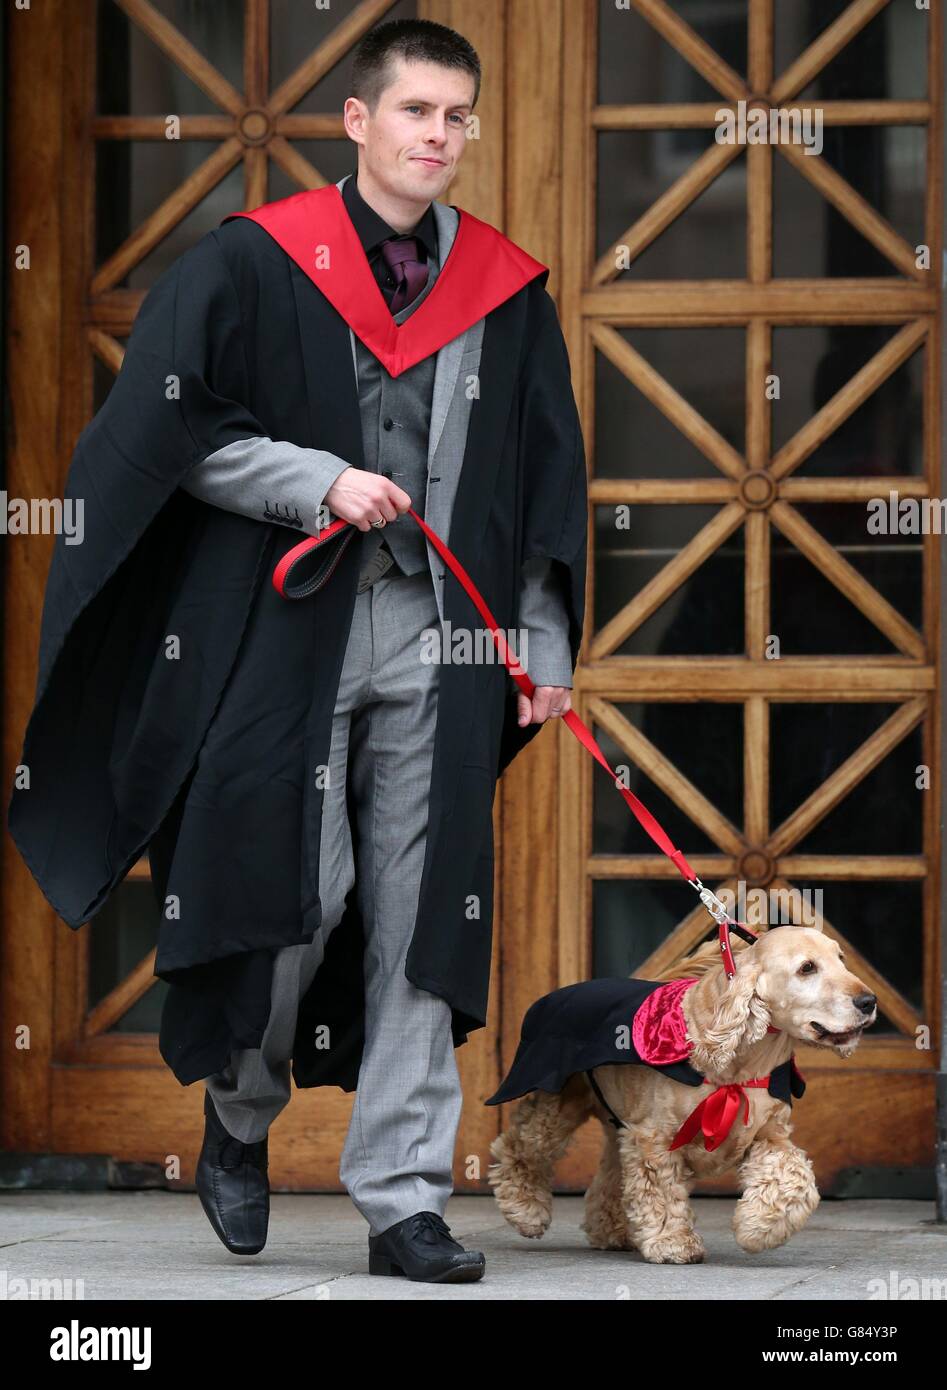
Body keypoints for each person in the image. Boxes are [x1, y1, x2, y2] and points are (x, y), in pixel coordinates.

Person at [7, 18, 587, 1285]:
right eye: (417, 111)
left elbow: (545, 480)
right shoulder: (254, 265)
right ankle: (239, 1110)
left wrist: (539, 642)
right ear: (357, 121)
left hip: (444, 640)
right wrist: (314, 478)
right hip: (289, 633)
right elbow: (161, 441)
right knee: (289, 900)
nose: (439, 136)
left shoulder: (504, 286)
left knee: (423, 918)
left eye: (457, 117)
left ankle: (401, 1199)